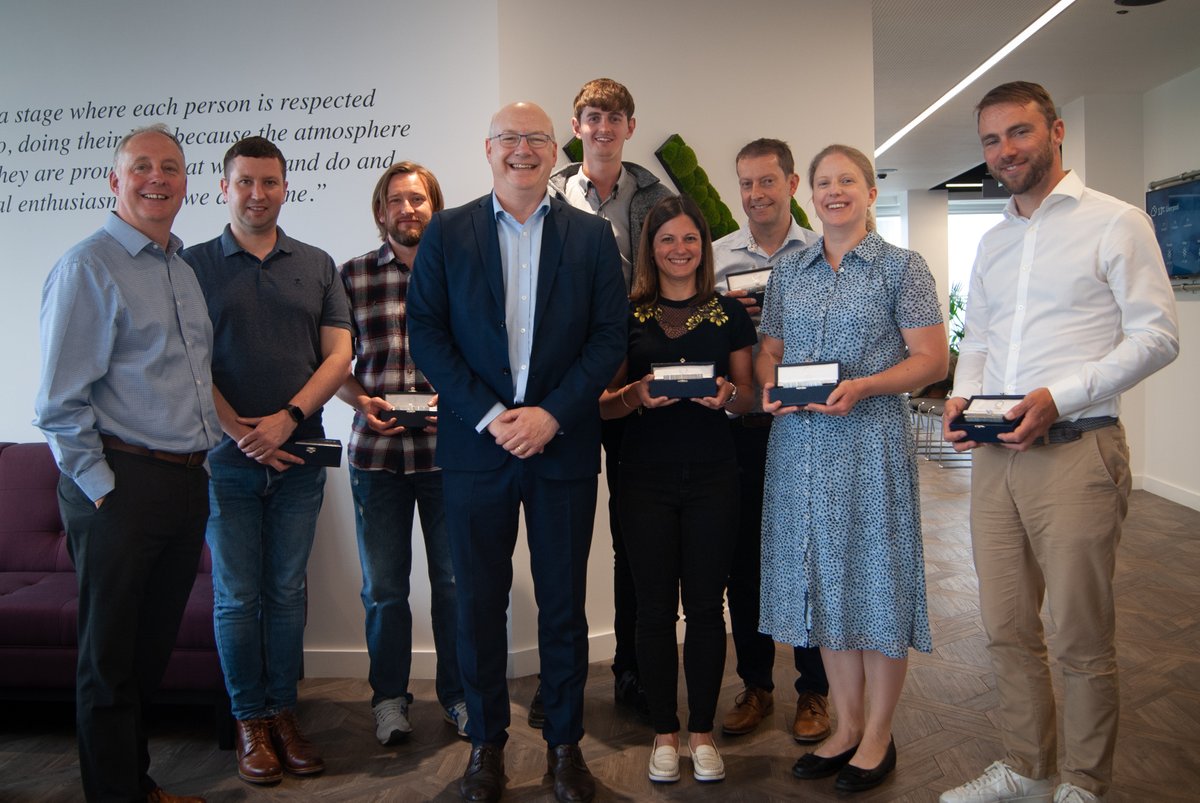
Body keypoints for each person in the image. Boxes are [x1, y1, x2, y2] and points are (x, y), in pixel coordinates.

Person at [939, 82, 1179, 803]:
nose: (1005, 150)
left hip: (1078, 448)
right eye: (991, 140)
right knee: (1007, 627)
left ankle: (1084, 781)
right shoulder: (994, 239)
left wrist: (1057, 397)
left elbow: (1158, 336)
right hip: (994, 457)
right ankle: (1026, 765)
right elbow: (978, 336)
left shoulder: (1116, 222)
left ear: (1056, 132)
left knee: (1079, 634)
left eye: (1018, 133)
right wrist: (961, 395)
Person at [407, 101, 627, 803]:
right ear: (488, 148)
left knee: (562, 605)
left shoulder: (592, 238)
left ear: (553, 147)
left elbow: (608, 341)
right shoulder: (447, 232)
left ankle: (566, 748)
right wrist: (496, 415)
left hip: (560, 449)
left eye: (536, 138)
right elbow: (427, 336)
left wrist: (552, 415)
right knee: (479, 604)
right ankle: (487, 747)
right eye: (510, 138)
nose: (523, 150)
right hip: (479, 450)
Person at [34, 124, 222, 803]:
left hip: (181, 481)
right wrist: (103, 490)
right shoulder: (88, 266)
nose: (157, 177)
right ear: (114, 181)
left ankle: (134, 784)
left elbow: (192, 380)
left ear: (184, 183)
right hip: (121, 483)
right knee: (108, 661)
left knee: (147, 657)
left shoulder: (180, 268)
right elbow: (58, 402)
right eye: (141, 166)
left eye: (170, 167)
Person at [758, 144, 947, 794]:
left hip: (868, 447)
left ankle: (878, 734)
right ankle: (844, 725)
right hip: (799, 452)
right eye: (823, 183)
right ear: (809, 194)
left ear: (869, 191)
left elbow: (931, 359)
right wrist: (767, 386)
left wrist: (865, 386)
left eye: (847, 181)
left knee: (876, 584)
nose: (834, 191)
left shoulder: (901, 268)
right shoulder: (791, 269)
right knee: (824, 588)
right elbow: (771, 349)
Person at [183, 137, 353, 786]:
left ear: (286, 187)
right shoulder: (192, 265)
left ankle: (284, 712)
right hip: (224, 462)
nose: (257, 193)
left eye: (269, 182)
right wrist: (238, 428)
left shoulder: (315, 264)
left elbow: (338, 356)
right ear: (224, 187)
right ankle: (248, 720)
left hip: (300, 458)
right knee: (236, 595)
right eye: (245, 182)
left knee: (285, 592)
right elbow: (187, 358)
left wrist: (286, 417)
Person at [598, 195, 756, 785]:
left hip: (715, 477)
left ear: (703, 247)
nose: (680, 249)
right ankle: (664, 731)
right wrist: (635, 395)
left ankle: (703, 733)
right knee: (655, 610)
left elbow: (751, 400)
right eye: (668, 240)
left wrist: (726, 397)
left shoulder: (729, 314)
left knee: (709, 612)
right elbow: (602, 407)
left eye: (690, 238)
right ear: (651, 249)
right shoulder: (628, 316)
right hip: (643, 480)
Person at [543, 77, 674, 724]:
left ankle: (634, 667)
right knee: (560, 536)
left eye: (613, 117)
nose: (601, 127)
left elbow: (670, 280)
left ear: (629, 125)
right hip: (564, 387)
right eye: (591, 116)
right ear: (577, 124)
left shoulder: (655, 197)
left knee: (634, 535)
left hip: (631, 380)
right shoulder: (546, 192)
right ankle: (558, 674)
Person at [336, 161, 468, 745]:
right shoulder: (351, 276)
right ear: (381, 210)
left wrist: (457, 396)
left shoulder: (462, 273)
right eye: (397, 200)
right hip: (376, 459)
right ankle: (389, 700)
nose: (408, 209)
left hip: (449, 455)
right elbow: (333, 365)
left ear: (434, 207)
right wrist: (361, 401)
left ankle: (459, 697)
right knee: (384, 590)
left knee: (454, 584)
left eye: (418, 199)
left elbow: (483, 358)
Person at [711, 138, 830, 743]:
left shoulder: (821, 251)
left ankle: (815, 689)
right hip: (736, 431)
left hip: (804, 428)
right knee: (743, 562)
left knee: (807, 558)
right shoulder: (713, 256)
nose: (755, 194)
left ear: (790, 185)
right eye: (746, 184)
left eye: (766, 181)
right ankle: (756, 683)